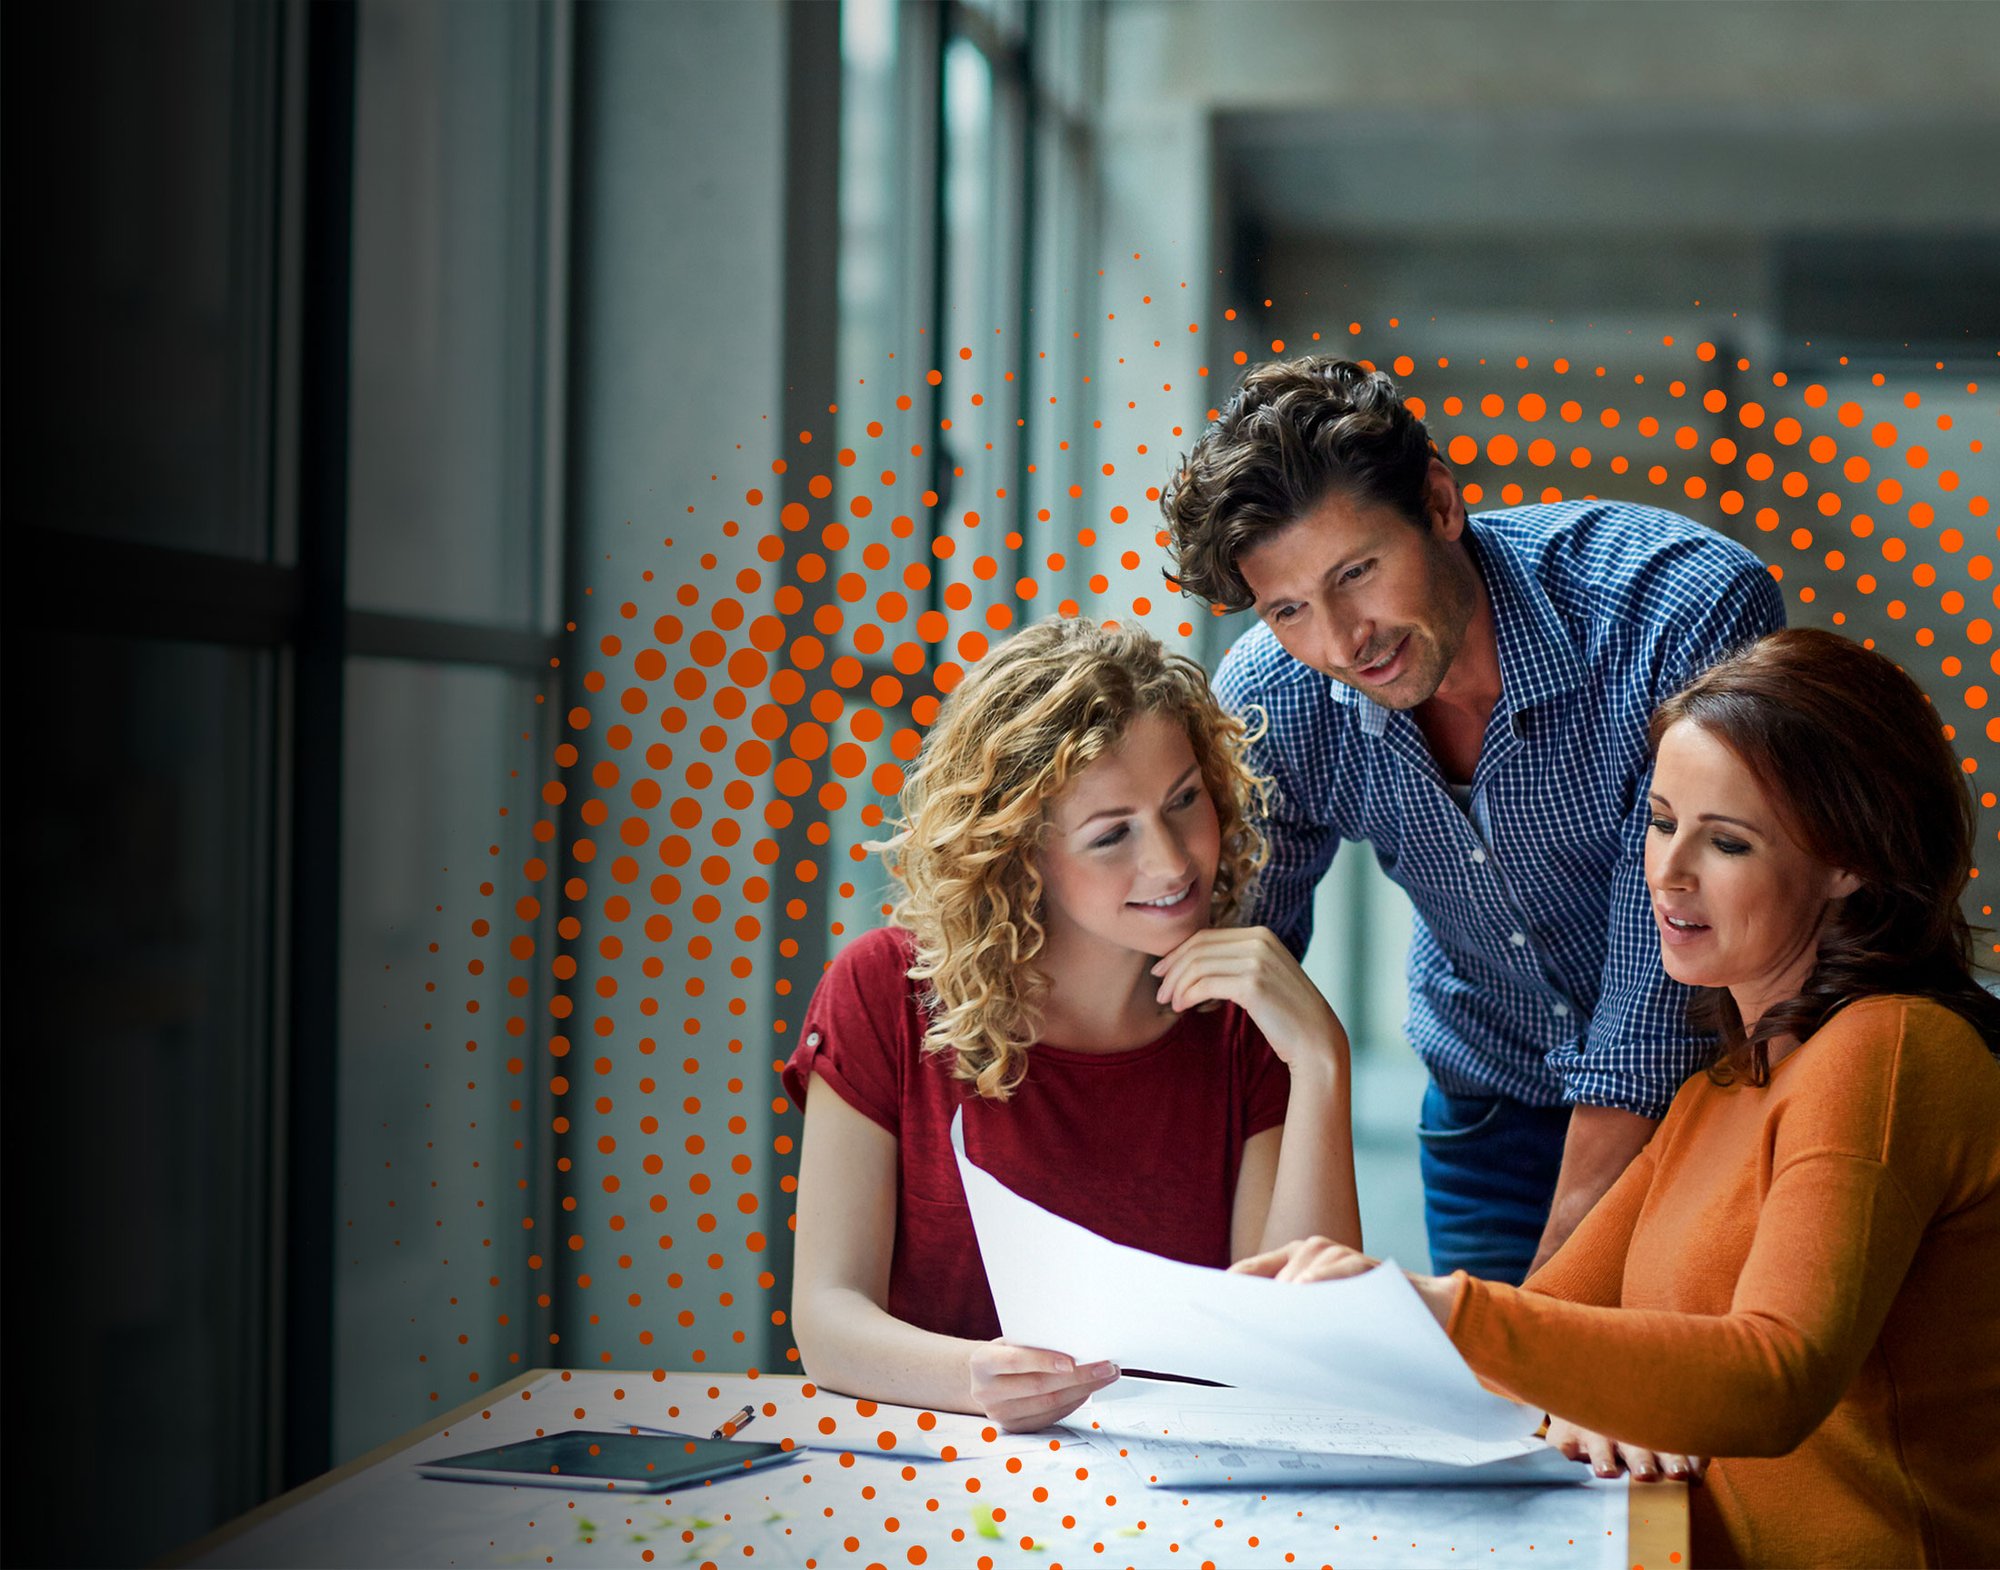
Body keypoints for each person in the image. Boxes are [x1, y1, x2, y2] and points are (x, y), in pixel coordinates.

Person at [1236, 628, 2000, 1568]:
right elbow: (1552, 1331)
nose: (1669, 872)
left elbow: (1776, 1377)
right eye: (1661, 819)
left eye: (1727, 841)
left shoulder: (1889, 1051)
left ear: (1852, 861)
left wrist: (1432, 1308)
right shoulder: (1720, 1086)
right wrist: (1570, 1393)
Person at [1160, 355, 1786, 1283]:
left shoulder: (1674, 610)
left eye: (1358, 572)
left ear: (1441, 504)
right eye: (1288, 608)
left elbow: (1663, 973)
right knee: (1494, 1422)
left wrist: (1539, 1300)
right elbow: (1228, 963)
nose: (1340, 641)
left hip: (1716, 1100)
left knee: (1669, 1410)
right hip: (1489, 1104)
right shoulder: (1277, 693)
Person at [785, 617, 1362, 1431]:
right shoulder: (883, 990)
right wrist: (973, 1376)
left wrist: (1321, 1060)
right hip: (944, 1474)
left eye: (1184, 800)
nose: (1171, 861)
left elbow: (1306, 1352)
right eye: (1111, 833)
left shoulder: (1244, 1028)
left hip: (1186, 1493)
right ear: (1022, 853)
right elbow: (827, 1318)